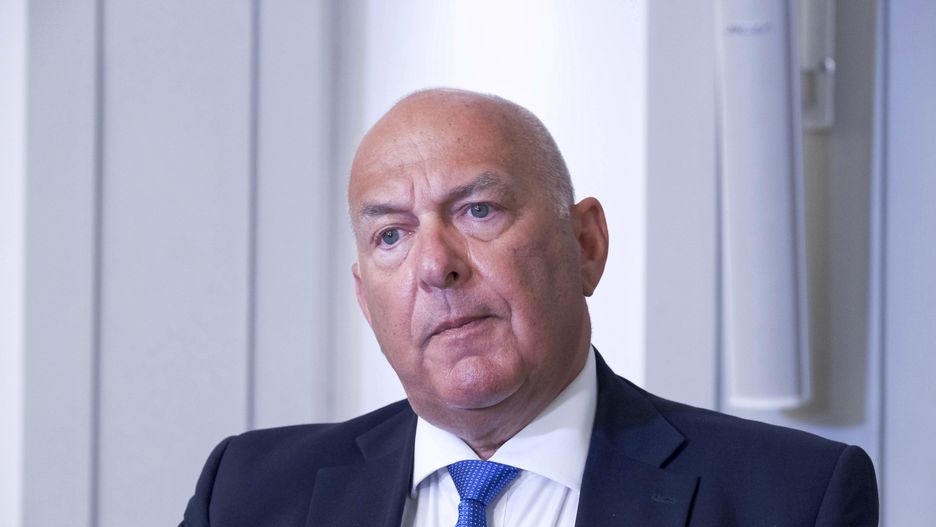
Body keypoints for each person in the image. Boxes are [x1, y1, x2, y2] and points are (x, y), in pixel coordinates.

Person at [180, 89, 878, 526]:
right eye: (391, 234)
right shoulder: (245, 494)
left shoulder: (792, 499)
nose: (436, 265)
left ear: (586, 245)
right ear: (366, 299)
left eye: (479, 210)